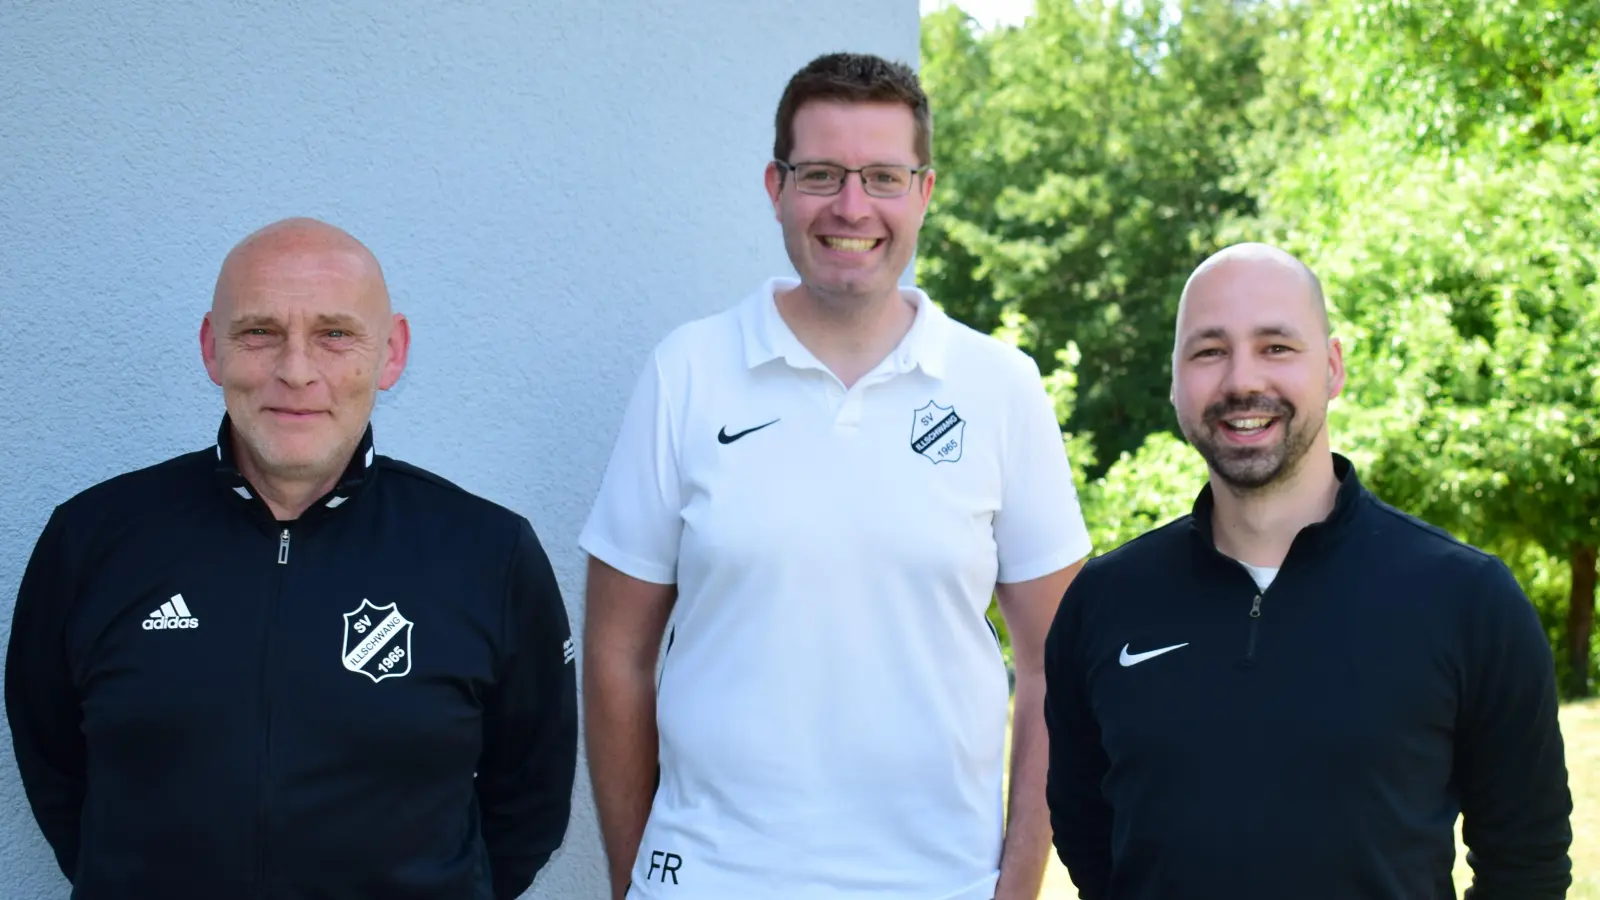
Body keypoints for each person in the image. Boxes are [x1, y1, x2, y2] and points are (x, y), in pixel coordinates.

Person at [579, 52, 1093, 900]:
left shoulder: (1000, 386)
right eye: (821, 174)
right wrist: (641, 882)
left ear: (924, 192)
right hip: (711, 881)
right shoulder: (689, 372)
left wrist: (1015, 888)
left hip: (937, 884)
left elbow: (1054, 667)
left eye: (883, 177)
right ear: (776, 187)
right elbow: (616, 653)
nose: (852, 207)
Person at [5, 217, 578, 899]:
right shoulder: (92, 540)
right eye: (259, 332)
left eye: (335, 334)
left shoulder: (488, 554)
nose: (296, 371)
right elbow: (55, 766)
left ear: (391, 353)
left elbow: (530, 801)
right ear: (211, 350)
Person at [1042, 242, 1574, 899]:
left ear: (1333, 367)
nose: (1242, 381)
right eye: (1209, 351)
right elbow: (1087, 833)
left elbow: (1527, 861)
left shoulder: (1468, 600)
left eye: (1276, 347)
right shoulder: (1104, 602)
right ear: (1175, 379)